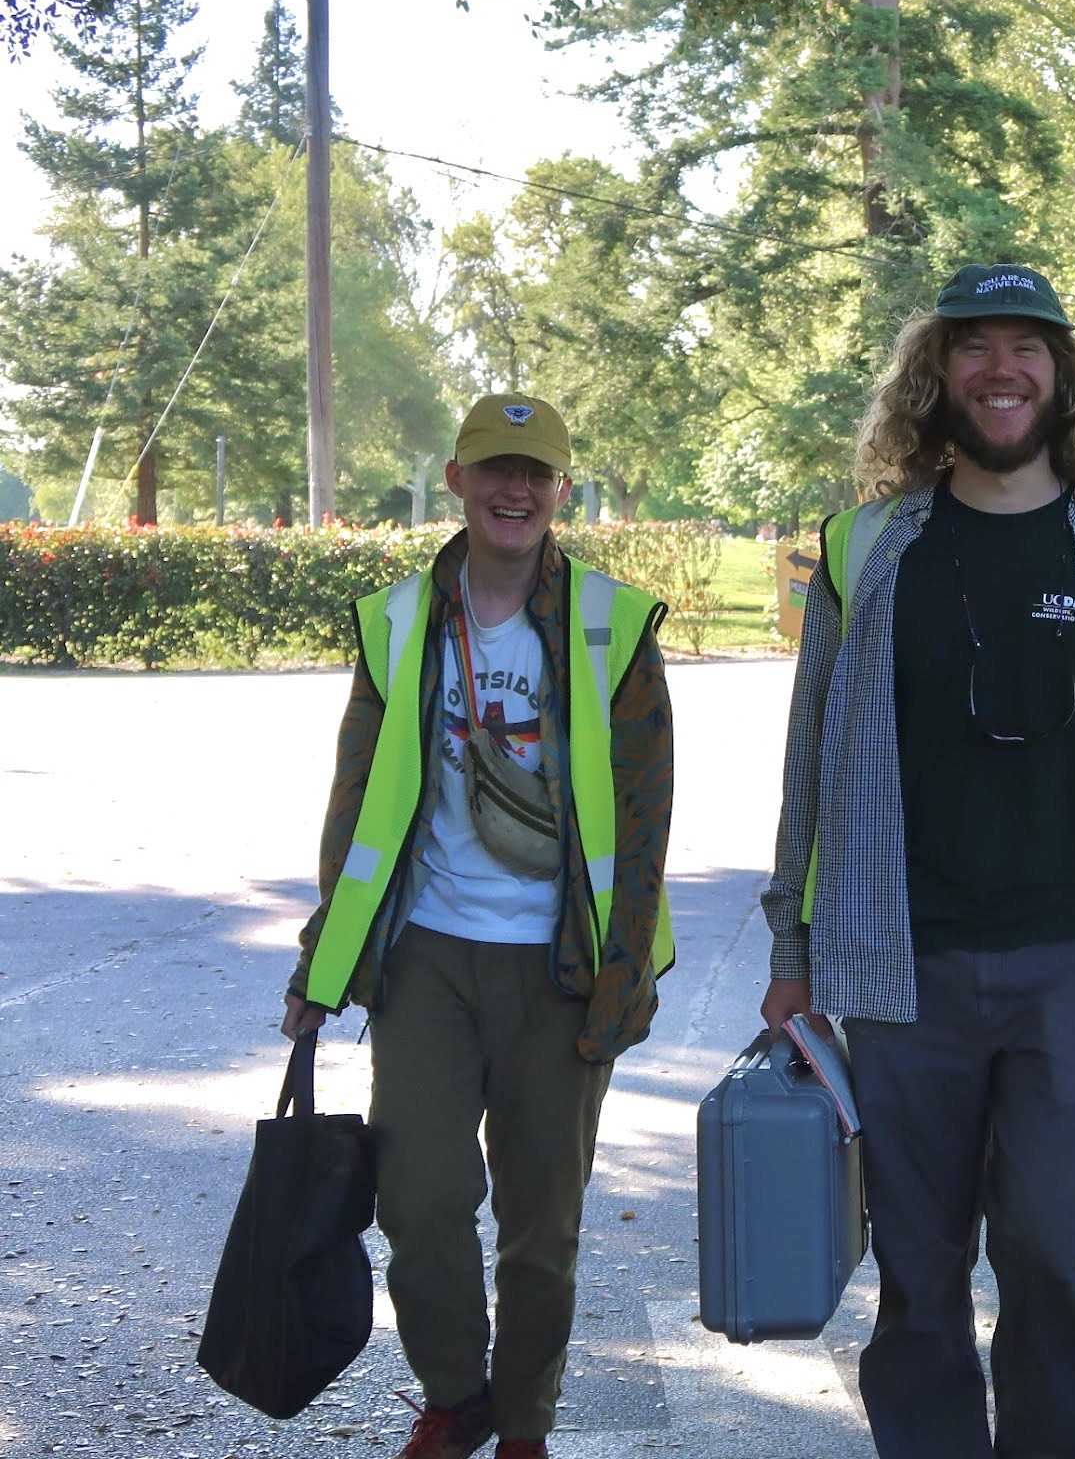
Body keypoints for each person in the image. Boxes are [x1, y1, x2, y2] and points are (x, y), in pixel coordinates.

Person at [759, 262, 1075, 1459]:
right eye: (977, 346)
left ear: (1064, 376)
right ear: (939, 373)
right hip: (898, 966)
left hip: (1073, 964)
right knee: (918, 1271)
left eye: (1029, 346)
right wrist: (792, 949)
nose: (1002, 368)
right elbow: (809, 767)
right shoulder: (868, 549)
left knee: (1056, 1253)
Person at [282, 393, 675, 1459]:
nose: (516, 489)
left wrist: (623, 970)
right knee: (419, 1204)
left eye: (536, 473)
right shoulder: (401, 620)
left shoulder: (611, 621)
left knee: (541, 1232)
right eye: (496, 468)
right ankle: (457, 1396)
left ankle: (527, 1424)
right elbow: (357, 799)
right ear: (455, 478)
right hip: (428, 960)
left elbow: (644, 817)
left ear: (562, 490)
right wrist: (328, 957)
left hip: (562, 964)